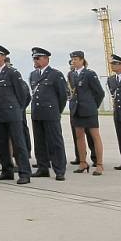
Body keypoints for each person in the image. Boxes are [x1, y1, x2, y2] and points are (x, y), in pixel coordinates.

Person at [0, 44, 31, 184]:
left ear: (3, 57)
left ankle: (24, 172)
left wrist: (18, 110)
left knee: (18, 143)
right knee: (2, 143)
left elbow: (22, 94)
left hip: (12, 113)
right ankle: (7, 170)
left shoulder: (12, 73)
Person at [29, 47, 68, 181]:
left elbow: (62, 96)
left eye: (38, 58)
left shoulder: (55, 75)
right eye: (34, 58)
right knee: (39, 142)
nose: (35, 60)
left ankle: (59, 170)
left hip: (51, 113)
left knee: (55, 142)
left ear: (46, 59)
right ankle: (43, 168)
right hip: (37, 113)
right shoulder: (33, 75)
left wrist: (57, 110)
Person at [68, 51, 105, 175]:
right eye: (72, 60)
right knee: (79, 137)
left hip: (89, 110)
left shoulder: (89, 74)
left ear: (82, 60)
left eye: (76, 59)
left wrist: (93, 106)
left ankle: (99, 165)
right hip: (77, 110)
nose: (73, 62)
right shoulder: (72, 75)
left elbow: (100, 93)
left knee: (95, 136)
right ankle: (83, 163)